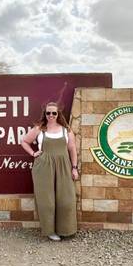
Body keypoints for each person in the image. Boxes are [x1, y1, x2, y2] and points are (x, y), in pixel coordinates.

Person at [21, 102, 78, 241]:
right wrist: (33, 153)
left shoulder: (66, 130)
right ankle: (50, 231)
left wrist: (74, 168)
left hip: (64, 166)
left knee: (66, 199)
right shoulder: (39, 129)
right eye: (48, 113)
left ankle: (66, 229)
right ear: (45, 114)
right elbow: (24, 141)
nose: (51, 115)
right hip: (44, 167)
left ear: (58, 114)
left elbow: (72, 149)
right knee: (47, 201)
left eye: (54, 113)